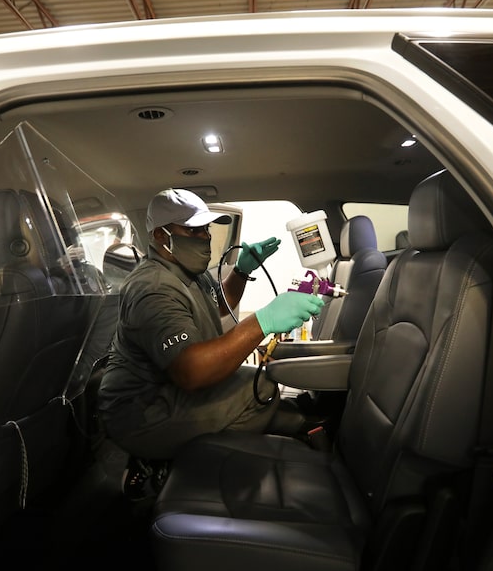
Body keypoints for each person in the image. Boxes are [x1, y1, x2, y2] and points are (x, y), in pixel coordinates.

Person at [97, 188, 324, 499]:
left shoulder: (185, 271)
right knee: (257, 390)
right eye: (193, 230)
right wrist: (263, 321)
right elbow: (192, 372)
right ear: (162, 236)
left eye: (206, 229)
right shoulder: (152, 289)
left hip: (167, 393)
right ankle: (159, 464)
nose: (205, 237)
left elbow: (217, 304)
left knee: (260, 390)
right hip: (141, 413)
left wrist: (242, 271)